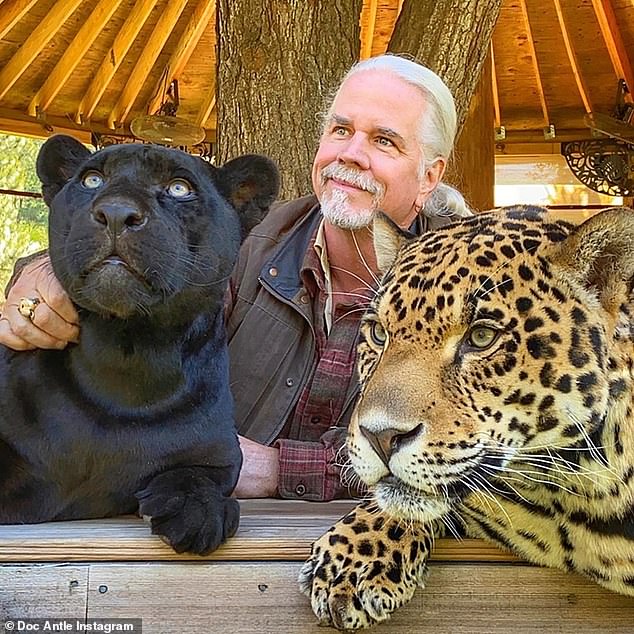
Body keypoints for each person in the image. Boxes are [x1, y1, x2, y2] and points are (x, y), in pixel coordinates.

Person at [0, 54, 471, 501]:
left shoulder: (477, 282)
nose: (350, 154)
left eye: (383, 141)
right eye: (340, 130)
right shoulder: (250, 239)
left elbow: (491, 456)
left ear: (430, 176)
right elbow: (139, 261)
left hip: (381, 548)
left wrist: (274, 469)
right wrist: (43, 277)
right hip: (194, 546)